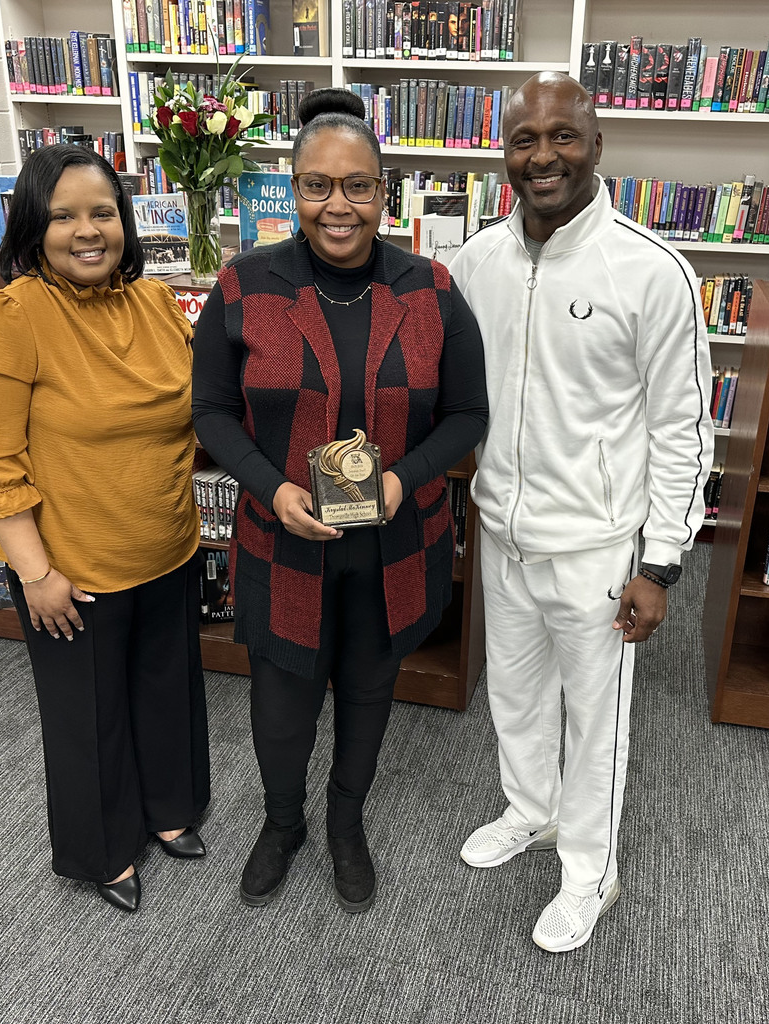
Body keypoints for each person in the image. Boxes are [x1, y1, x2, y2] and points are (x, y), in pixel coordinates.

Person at [192, 88, 488, 913]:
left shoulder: (430, 288)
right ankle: (282, 822)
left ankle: (344, 823)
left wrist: (401, 479)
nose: (338, 204)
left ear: (383, 191)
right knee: (281, 701)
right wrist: (273, 488)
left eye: (357, 185)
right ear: (292, 190)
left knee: (367, 690)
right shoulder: (246, 284)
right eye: (318, 185)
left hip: (394, 545)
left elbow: (469, 414)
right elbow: (210, 409)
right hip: (283, 539)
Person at [450, 73, 714, 952]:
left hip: (600, 549)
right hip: (505, 536)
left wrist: (662, 561)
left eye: (563, 136)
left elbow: (683, 428)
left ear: (598, 146)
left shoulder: (651, 270)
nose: (543, 156)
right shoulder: (476, 263)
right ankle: (530, 810)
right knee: (516, 697)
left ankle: (590, 871)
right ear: (505, 155)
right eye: (525, 140)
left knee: (595, 720)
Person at [0, 146, 210, 914]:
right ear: (34, 228)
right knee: (87, 717)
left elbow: (199, 412)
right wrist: (35, 572)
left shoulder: (155, 305)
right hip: (73, 570)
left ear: (125, 221)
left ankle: (170, 810)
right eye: (64, 216)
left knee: (167, 692)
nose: (87, 231)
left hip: (168, 547)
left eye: (102, 212)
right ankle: (104, 851)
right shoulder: (12, 318)